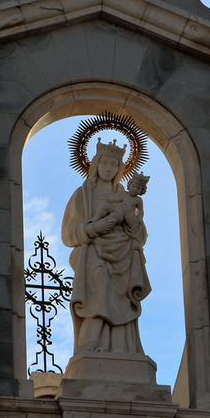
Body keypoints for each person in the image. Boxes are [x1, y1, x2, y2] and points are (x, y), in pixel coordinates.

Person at [61, 140, 151, 355]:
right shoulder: (82, 195)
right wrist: (94, 228)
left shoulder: (126, 196)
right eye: (105, 164)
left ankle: (123, 348)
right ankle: (89, 346)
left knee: (121, 299)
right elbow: (69, 233)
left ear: (120, 169)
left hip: (124, 254)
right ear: (96, 165)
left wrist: (131, 220)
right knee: (99, 291)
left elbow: (140, 235)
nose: (109, 168)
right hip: (94, 251)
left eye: (114, 165)